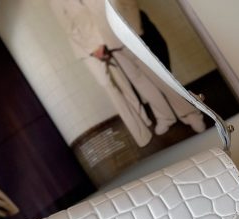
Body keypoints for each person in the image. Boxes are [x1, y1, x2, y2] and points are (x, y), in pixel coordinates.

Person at [50, 0, 205, 147]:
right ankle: (165, 117)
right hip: (108, 42)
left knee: (159, 76)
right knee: (138, 80)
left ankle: (190, 114)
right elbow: (72, 25)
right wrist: (95, 46)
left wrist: (134, 26)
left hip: (128, 30)